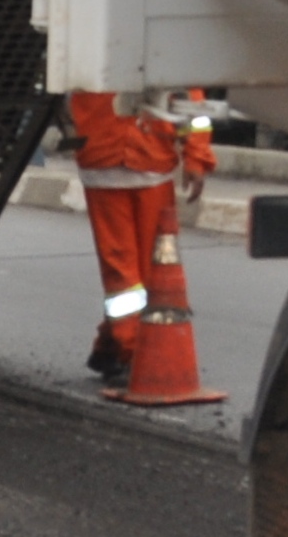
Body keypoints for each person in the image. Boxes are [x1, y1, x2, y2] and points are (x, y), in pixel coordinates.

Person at [69, 89, 213, 388]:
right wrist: (196, 158)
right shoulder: (170, 56)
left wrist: (197, 157)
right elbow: (193, 105)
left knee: (134, 274)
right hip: (134, 160)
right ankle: (130, 350)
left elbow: (193, 107)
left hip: (113, 158)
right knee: (130, 276)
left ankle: (113, 345)